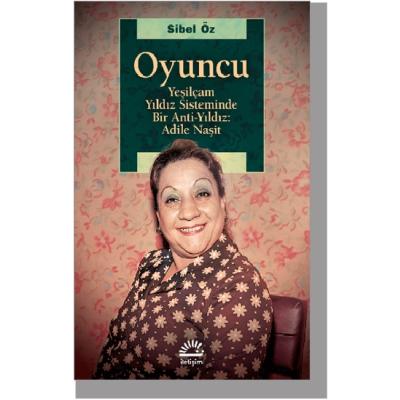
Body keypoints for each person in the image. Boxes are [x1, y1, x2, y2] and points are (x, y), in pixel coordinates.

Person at [93, 139, 273, 379]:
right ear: (159, 217)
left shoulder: (240, 286)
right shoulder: (151, 263)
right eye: (172, 199)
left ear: (222, 204)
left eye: (202, 193)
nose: (189, 212)